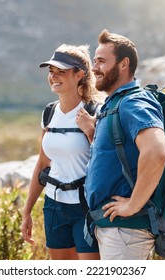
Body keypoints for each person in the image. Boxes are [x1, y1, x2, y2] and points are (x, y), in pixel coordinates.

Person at [84, 29, 165, 260]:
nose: (94, 68)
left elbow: (157, 150)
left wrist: (133, 204)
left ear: (124, 64)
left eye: (101, 61)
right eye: (94, 61)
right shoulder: (116, 103)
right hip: (115, 229)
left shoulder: (133, 101)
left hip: (126, 231)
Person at [21, 44, 103, 260]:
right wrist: (27, 210)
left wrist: (92, 132)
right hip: (54, 206)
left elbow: (106, 161)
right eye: (51, 72)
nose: (54, 77)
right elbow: (42, 163)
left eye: (61, 72)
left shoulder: (96, 112)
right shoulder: (49, 112)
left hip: (86, 208)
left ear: (79, 74)